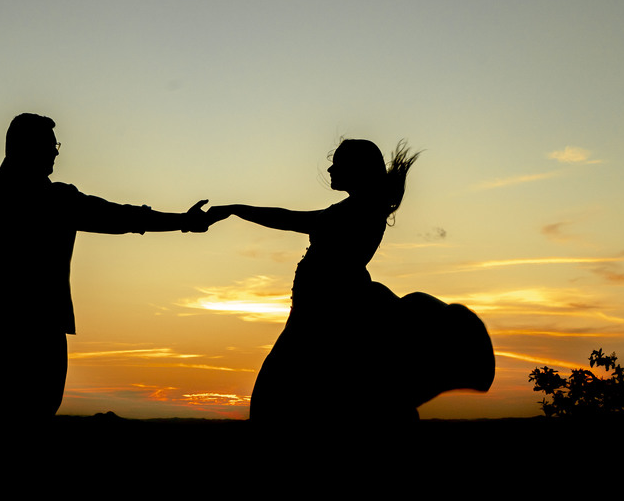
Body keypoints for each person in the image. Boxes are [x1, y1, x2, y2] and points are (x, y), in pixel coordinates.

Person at [0, 113, 213, 420]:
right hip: (21, 336)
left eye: (56, 145)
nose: (56, 151)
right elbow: (124, 218)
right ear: (25, 146)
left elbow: (124, 218)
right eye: (50, 144)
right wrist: (185, 222)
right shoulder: (45, 199)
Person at [210, 139, 494, 424]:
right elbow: (293, 219)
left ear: (357, 168)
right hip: (319, 312)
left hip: (332, 315)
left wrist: (235, 209)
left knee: (282, 401)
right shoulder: (357, 207)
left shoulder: (359, 210)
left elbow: (290, 219)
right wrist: (235, 209)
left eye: (339, 162)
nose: (331, 169)